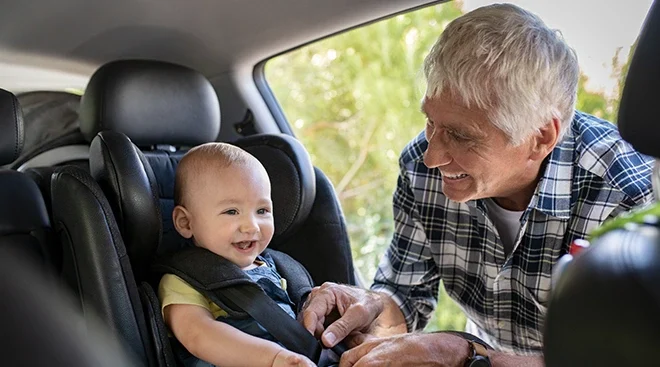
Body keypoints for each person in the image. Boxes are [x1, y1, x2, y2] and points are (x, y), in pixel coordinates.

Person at [300, 3, 654, 367]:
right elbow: (405, 297)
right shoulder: (420, 169)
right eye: (430, 122)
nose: (432, 156)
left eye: (459, 135)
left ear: (540, 138)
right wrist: (371, 306)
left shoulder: (629, 194)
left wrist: (468, 358)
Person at [158, 143, 315, 367]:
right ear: (185, 222)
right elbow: (197, 334)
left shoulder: (278, 268)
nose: (252, 227)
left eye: (262, 211)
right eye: (231, 211)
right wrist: (272, 358)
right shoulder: (182, 281)